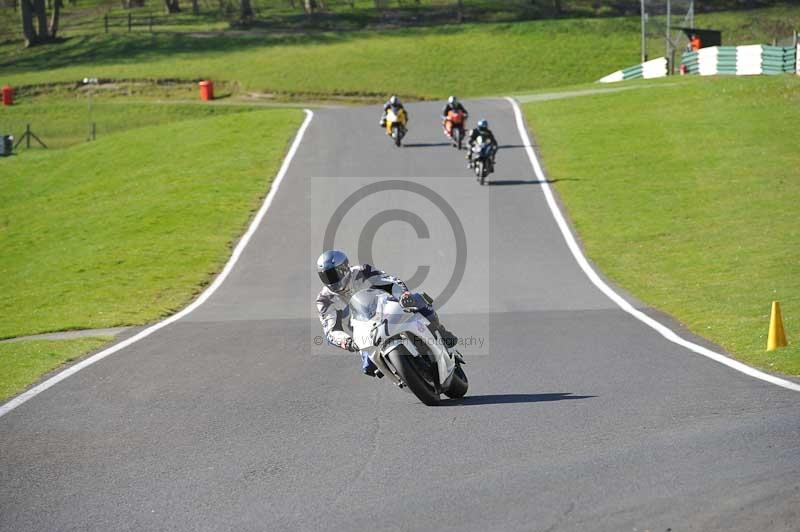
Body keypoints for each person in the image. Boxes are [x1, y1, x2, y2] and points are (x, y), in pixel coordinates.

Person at [316, 249, 457, 377]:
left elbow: (390, 281)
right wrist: (346, 342)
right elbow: (331, 330)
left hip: (386, 307)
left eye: (334, 274)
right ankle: (401, 376)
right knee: (368, 367)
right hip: (363, 330)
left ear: (344, 268)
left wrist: (403, 296)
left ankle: (441, 331)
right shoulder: (324, 300)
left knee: (418, 300)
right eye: (326, 277)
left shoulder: (363, 271)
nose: (332, 280)